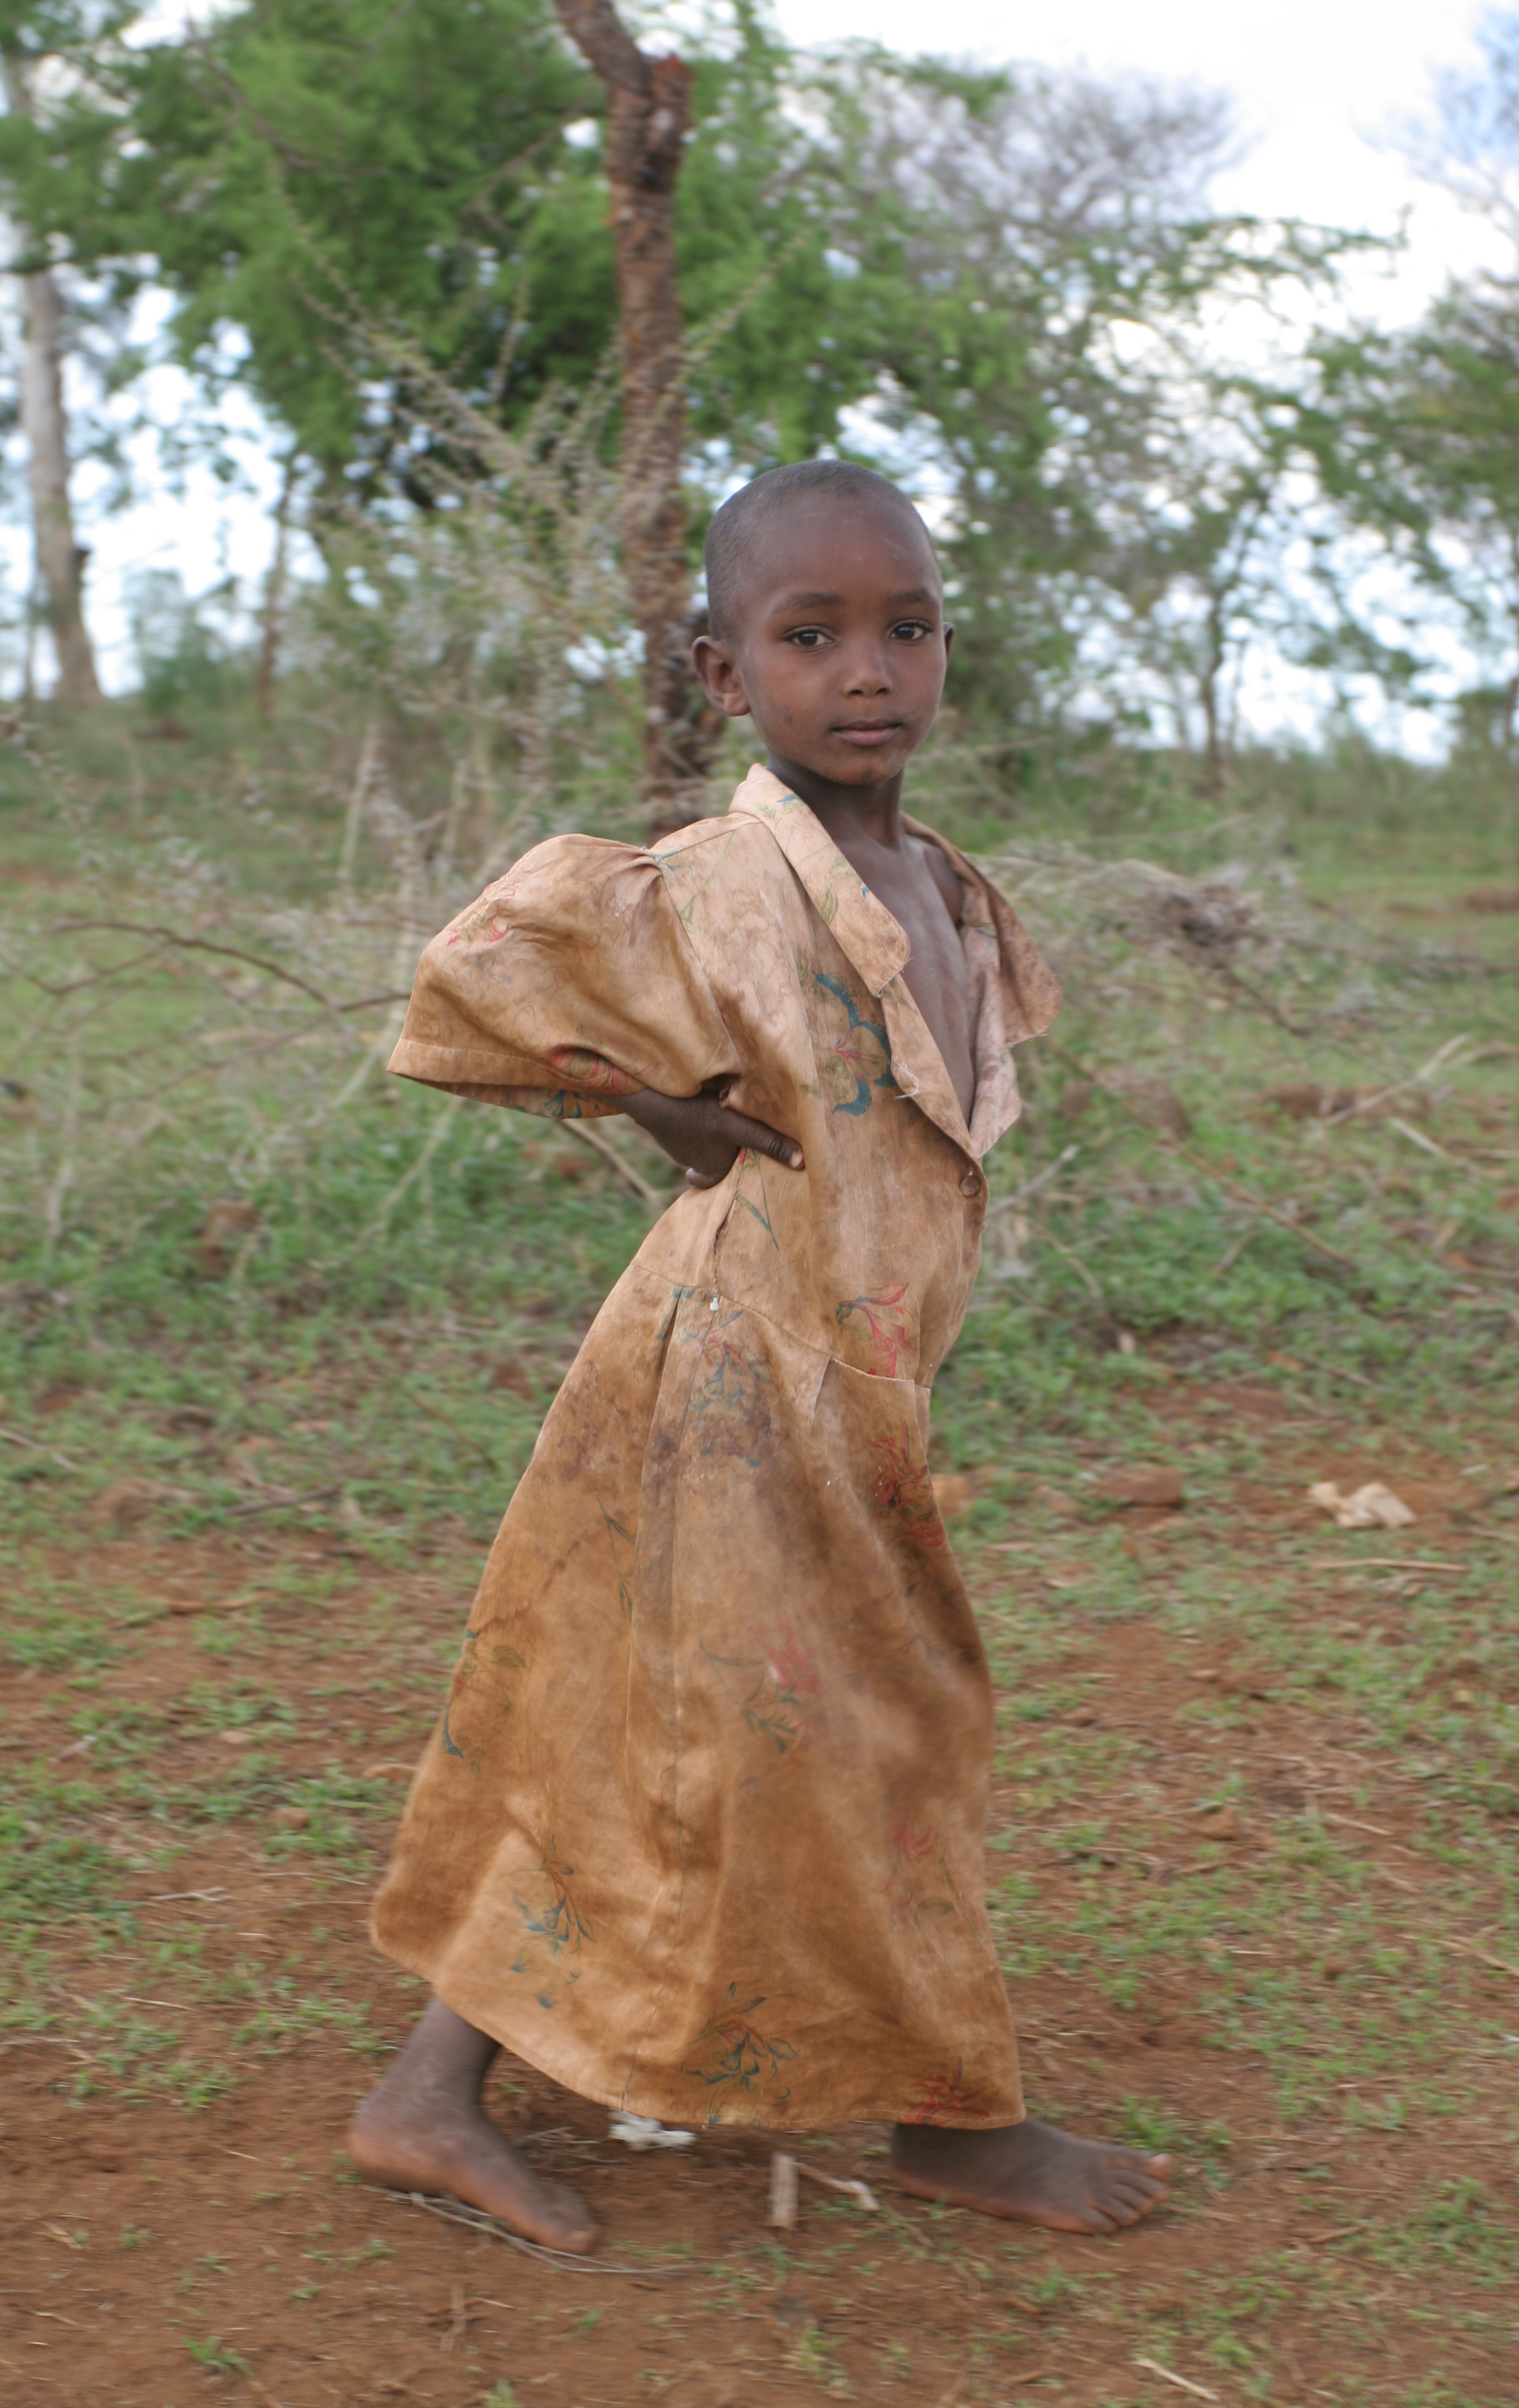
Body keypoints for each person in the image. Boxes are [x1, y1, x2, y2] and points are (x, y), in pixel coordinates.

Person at [349, 460, 1171, 2250]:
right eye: (812, 636)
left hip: (843, 1400)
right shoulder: (728, 881)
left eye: (906, 627)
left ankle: (432, 2090)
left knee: (698, 1739)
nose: (867, 670)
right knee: (873, 1727)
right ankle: (957, 2121)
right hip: (733, 1387)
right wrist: (660, 1107)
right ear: (725, 674)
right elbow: (478, 969)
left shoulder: (939, 888)